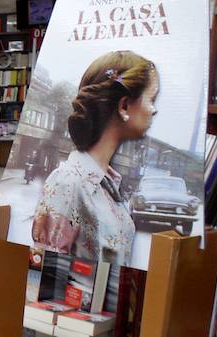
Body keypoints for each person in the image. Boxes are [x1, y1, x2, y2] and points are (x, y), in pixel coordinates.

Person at [31, 51, 159, 266]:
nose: (154, 110)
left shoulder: (107, 185)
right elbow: (47, 277)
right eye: (151, 99)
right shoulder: (68, 183)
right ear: (124, 105)